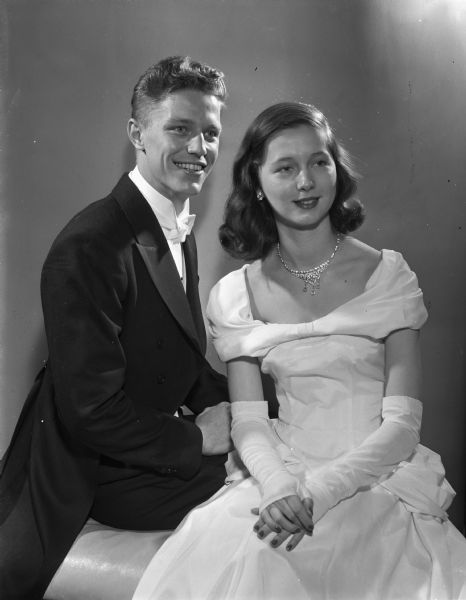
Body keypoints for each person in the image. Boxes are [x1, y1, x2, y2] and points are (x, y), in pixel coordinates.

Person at [132, 102, 466, 600]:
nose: (306, 181)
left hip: (374, 476)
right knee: (257, 561)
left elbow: (402, 426)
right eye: (285, 168)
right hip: (279, 476)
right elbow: (249, 420)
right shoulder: (235, 294)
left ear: (337, 169)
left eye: (319, 162)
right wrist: (280, 489)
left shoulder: (389, 276)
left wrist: (320, 492)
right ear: (258, 183)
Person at [0, 56, 233, 600]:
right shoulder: (92, 242)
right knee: (269, 490)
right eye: (179, 128)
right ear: (136, 133)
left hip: (141, 449)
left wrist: (262, 405)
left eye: (211, 133)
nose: (198, 148)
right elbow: (90, 411)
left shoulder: (175, 226)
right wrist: (199, 436)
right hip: (96, 473)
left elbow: (176, 358)